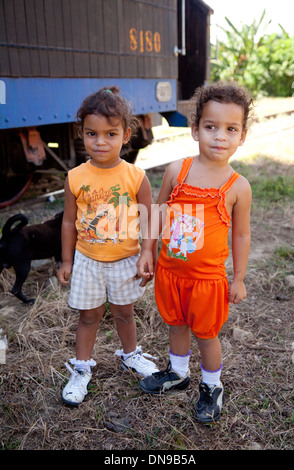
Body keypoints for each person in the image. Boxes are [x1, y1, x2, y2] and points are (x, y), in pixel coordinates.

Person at [137, 81, 253, 424]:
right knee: (174, 324)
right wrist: (147, 251)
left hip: (207, 281)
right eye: (210, 127)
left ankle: (211, 386)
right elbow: (156, 215)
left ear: (242, 136)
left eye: (230, 129)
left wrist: (240, 277)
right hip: (170, 273)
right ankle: (177, 372)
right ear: (195, 130)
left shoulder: (238, 187)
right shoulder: (177, 171)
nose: (220, 136)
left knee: (206, 334)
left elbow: (242, 235)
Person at [57, 86, 158, 406]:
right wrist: (66, 260)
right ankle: (81, 369)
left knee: (125, 314)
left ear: (126, 135)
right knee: (89, 317)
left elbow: (149, 218)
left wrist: (146, 252)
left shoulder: (135, 176)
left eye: (110, 134)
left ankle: (131, 355)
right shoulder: (74, 177)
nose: (101, 142)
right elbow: (69, 222)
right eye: (92, 133)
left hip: (125, 260)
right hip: (88, 260)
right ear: (81, 134)